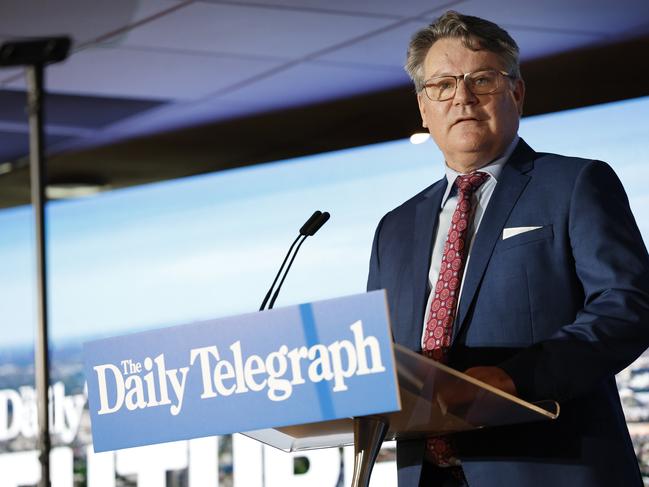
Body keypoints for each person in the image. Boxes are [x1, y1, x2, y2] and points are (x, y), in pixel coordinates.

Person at [367, 11, 649, 487]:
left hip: (548, 469)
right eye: (442, 85)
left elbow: (629, 306)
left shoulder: (576, 183)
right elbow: (379, 354)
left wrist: (516, 380)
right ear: (423, 107)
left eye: (482, 79)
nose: (462, 97)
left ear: (516, 92)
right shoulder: (392, 228)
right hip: (426, 476)